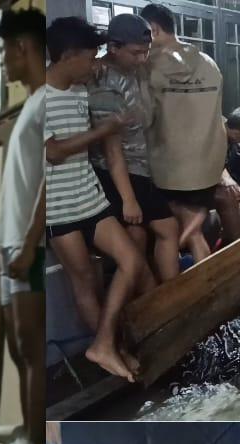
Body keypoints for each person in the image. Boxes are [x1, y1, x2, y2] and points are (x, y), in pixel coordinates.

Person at [44, 16, 146, 383]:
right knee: (84, 281)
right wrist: (103, 130)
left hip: (91, 198)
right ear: (68, 56)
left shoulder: (80, 88)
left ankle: (104, 344)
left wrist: (127, 198)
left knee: (130, 260)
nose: (95, 63)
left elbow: (108, 147)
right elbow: (52, 152)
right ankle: (112, 352)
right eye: (90, 57)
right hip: (58, 209)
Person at [89, 13, 179, 286]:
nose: (142, 59)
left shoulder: (132, 69)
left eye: (146, 52)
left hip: (138, 166)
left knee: (138, 238)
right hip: (121, 171)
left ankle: (150, 305)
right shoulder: (104, 82)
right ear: (113, 48)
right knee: (167, 227)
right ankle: (172, 298)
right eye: (136, 53)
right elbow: (111, 150)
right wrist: (128, 198)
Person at [0, 6, 47, 444]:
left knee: (32, 350)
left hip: (28, 242)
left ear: (22, 47)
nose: (3, 62)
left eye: (4, 52)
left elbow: (55, 175)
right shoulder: (31, 102)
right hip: (9, 240)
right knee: (18, 350)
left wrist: (31, 242)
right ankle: (28, 443)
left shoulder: (50, 99)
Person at [141, 2, 226, 263]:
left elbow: (143, 119)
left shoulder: (148, 68)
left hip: (170, 169)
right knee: (193, 231)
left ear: (154, 30)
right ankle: (205, 283)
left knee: (171, 235)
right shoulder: (209, 63)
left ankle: (184, 291)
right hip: (208, 166)